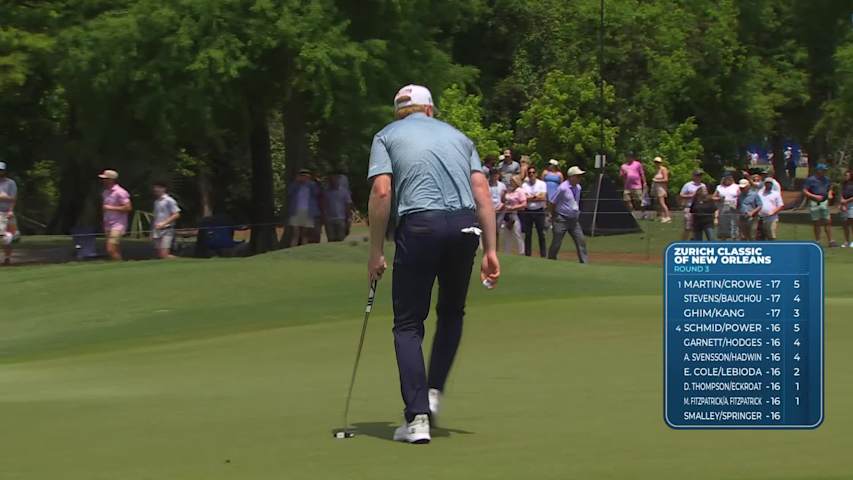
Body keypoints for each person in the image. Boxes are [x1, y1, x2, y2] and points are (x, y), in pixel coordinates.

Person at [366, 84, 500, 444]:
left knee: (408, 323)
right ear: (430, 109)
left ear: (399, 112)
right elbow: (482, 192)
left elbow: (382, 192)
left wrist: (376, 251)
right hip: (465, 225)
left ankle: (417, 418)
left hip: (420, 225)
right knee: (452, 312)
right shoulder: (459, 137)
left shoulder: (385, 136)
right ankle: (434, 391)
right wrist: (491, 249)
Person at [547, 166, 588, 263]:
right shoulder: (562, 188)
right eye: (578, 176)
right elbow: (553, 202)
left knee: (581, 240)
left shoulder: (578, 187)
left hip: (573, 219)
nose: (580, 178)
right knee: (557, 242)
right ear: (571, 177)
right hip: (561, 218)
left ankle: (584, 262)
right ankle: (551, 260)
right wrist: (552, 216)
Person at [99, 169, 132, 261]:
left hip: (118, 224)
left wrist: (110, 208)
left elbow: (128, 208)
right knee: (115, 249)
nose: (103, 180)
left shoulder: (120, 192)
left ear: (111, 180)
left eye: (105, 179)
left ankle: (120, 266)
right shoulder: (105, 192)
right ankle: (119, 267)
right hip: (108, 223)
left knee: (110, 249)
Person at [802, 163, 835, 247]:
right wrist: (814, 196)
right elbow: (805, 191)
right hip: (814, 202)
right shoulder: (811, 180)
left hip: (824, 202)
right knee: (816, 222)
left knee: (827, 221)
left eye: (825, 170)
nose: (825, 172)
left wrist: (830, 194)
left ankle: (831, 241)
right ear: (818, 170)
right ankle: (818, 241)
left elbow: (830, 188)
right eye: (823, 170)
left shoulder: (826, 179)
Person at [286, 169, 322, 247]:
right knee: (295, 233)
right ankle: (293, 250)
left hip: (308, 212)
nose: (303, 178)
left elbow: (317, 193)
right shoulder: (295, 185)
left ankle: (303, 248)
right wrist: (296, 182)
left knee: (305, 233)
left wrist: (313, 182)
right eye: (302, 176)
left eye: (305, 176)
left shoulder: (312, 185)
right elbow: (289, 193)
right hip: (296, 211)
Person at [520, 165, 548, 257]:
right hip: (528, 211)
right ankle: (528, 254)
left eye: (533, 172)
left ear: (536, 174)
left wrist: (531, 197)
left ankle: (543, 254)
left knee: (541, 234)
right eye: (529, 173)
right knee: (528, 234)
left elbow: (543, 197)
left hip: (539, 211)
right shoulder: (524, 185)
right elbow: (523, 198)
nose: (531, 174)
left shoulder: (542, 184)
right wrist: (535, 197)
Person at [151, 181, 181, 259]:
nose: (156, 190)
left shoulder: (169, 200)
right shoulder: (156, 202)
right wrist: (152, 230)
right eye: (155, 188)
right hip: (157, 230)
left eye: (158, 188)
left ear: (164, 189)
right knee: (160, 254)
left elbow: (176, 214)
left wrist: (164, 223)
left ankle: (180, 262)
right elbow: (155, 217)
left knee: (164, 254)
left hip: (167, 229)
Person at [323, 174, 353, 242]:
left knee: (340, 239)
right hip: (329, 219)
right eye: (331, 181)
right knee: (331, 239)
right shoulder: (326, 192)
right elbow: (323, 205)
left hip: (341, 219)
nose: (333, 182)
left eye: (335, 180)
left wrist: (348, 218)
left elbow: (348, 205)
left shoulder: (344, 191)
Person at [501, 178, 526, 254]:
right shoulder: (509, 191)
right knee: (507, 234)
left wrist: (513, 207)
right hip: (507, 214)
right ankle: (507, 252)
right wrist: (503, 194)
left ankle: (521, 252)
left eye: (512, 181)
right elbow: (503, 200)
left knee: (517, 233)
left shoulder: (520, 191)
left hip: (515, 214)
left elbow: (524, 204)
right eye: (510, 181)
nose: (511, 183)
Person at [679, 170, 706, 240]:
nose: (699, 177)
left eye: (700, 175)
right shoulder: (688, 185)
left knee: (697, 228)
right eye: (697, 175)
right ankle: (683, 243)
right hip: (689, 208)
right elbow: (681, 195)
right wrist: (692, 196)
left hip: (699, 209)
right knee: (688, 228)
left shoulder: (703, 186)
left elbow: (705, 197)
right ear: (693, 176)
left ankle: (694, 241)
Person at [0, 162, 18, 265]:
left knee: (10, 238)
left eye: (1, 170)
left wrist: (11, 210)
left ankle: (7, 258)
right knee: (3, 236)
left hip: (7, 212)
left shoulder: (10, 183)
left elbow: (13, 198)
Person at [620, 153, 647, 220]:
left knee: (639, 200)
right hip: (627, 187)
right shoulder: (623, 166)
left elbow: (642, 173)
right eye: (628, 157)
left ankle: (643, 213)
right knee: (627, 200)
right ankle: (632, 214)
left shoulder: (637, 164)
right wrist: (623, 175)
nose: (629, 158)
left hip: (637, 186)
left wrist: (644, 182)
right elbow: (621, 176)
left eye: (631, 157)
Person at [713, 173, 740, 240]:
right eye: (726, 178)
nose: (728, 179)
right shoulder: (719, 187)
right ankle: (723, 241)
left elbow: (740, 196)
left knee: (733, 225)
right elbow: (713, 197)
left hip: (733, 208)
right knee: (723, 225)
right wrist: (719, 199)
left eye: (729, 177)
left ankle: (734, 240)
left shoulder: (736, 186)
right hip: (722, 207)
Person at [651, 156, 671, 223]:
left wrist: (657, 181)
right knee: (659, 203)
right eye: (655, 162)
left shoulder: (663, 169)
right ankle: (662, 216)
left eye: (658, 162)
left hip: (661, 188)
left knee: (662, 203)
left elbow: (666, 179)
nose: (657, 163)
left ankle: (667, 216)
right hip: (656, 188)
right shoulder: (656, 170)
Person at [840, 169, 852, 248]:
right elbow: (841, 193)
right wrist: (841, 202)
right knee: (845, 224)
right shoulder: (844, 184)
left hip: (851, 205)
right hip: (844, 205)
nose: (845, 177)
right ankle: (846, 241)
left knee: (852, 223)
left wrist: (846, 201)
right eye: (845, 175)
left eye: (847, 175)